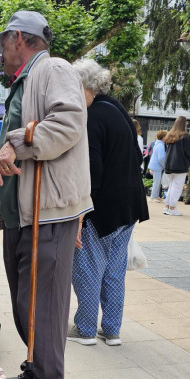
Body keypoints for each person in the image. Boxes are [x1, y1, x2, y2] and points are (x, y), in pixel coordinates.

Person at [0, 10, 92, 379]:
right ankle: (35, 368)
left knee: (42, 304)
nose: (1, 54)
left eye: (3, 44)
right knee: (26, 303)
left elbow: (66, 123)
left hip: (48, 212)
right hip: (22, 214)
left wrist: (15, 146)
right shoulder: (22, 83)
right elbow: (14, 139)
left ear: (19, 38)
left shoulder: (54, 69)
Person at [68, 59, 149, 347]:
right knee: (114, 270)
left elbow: (91, 170)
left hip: (102, 207)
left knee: (88, 267)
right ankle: (111, 329)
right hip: (129, 205)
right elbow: (137, 157)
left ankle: (86, 328)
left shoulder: (91, 117)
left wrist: (79, 216)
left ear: (83, 86)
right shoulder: (117, 110)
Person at [162, 116, 190, 216]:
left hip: (169, 163)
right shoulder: (185, 136)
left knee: (171, 186)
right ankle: (172, 207)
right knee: (177, 187)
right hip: (180, 164)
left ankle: (167, 206)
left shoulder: (169, 135)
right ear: (184, 124)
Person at [147, 130, 167, 202]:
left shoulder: (157, 144)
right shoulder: (161, 145)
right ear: (163, 137)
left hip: (154, 165)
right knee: (157, 182)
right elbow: (161, 158)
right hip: (157, 166)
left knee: (157, 182)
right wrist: (165, 166)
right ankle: (153, 197)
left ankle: (156, 196)